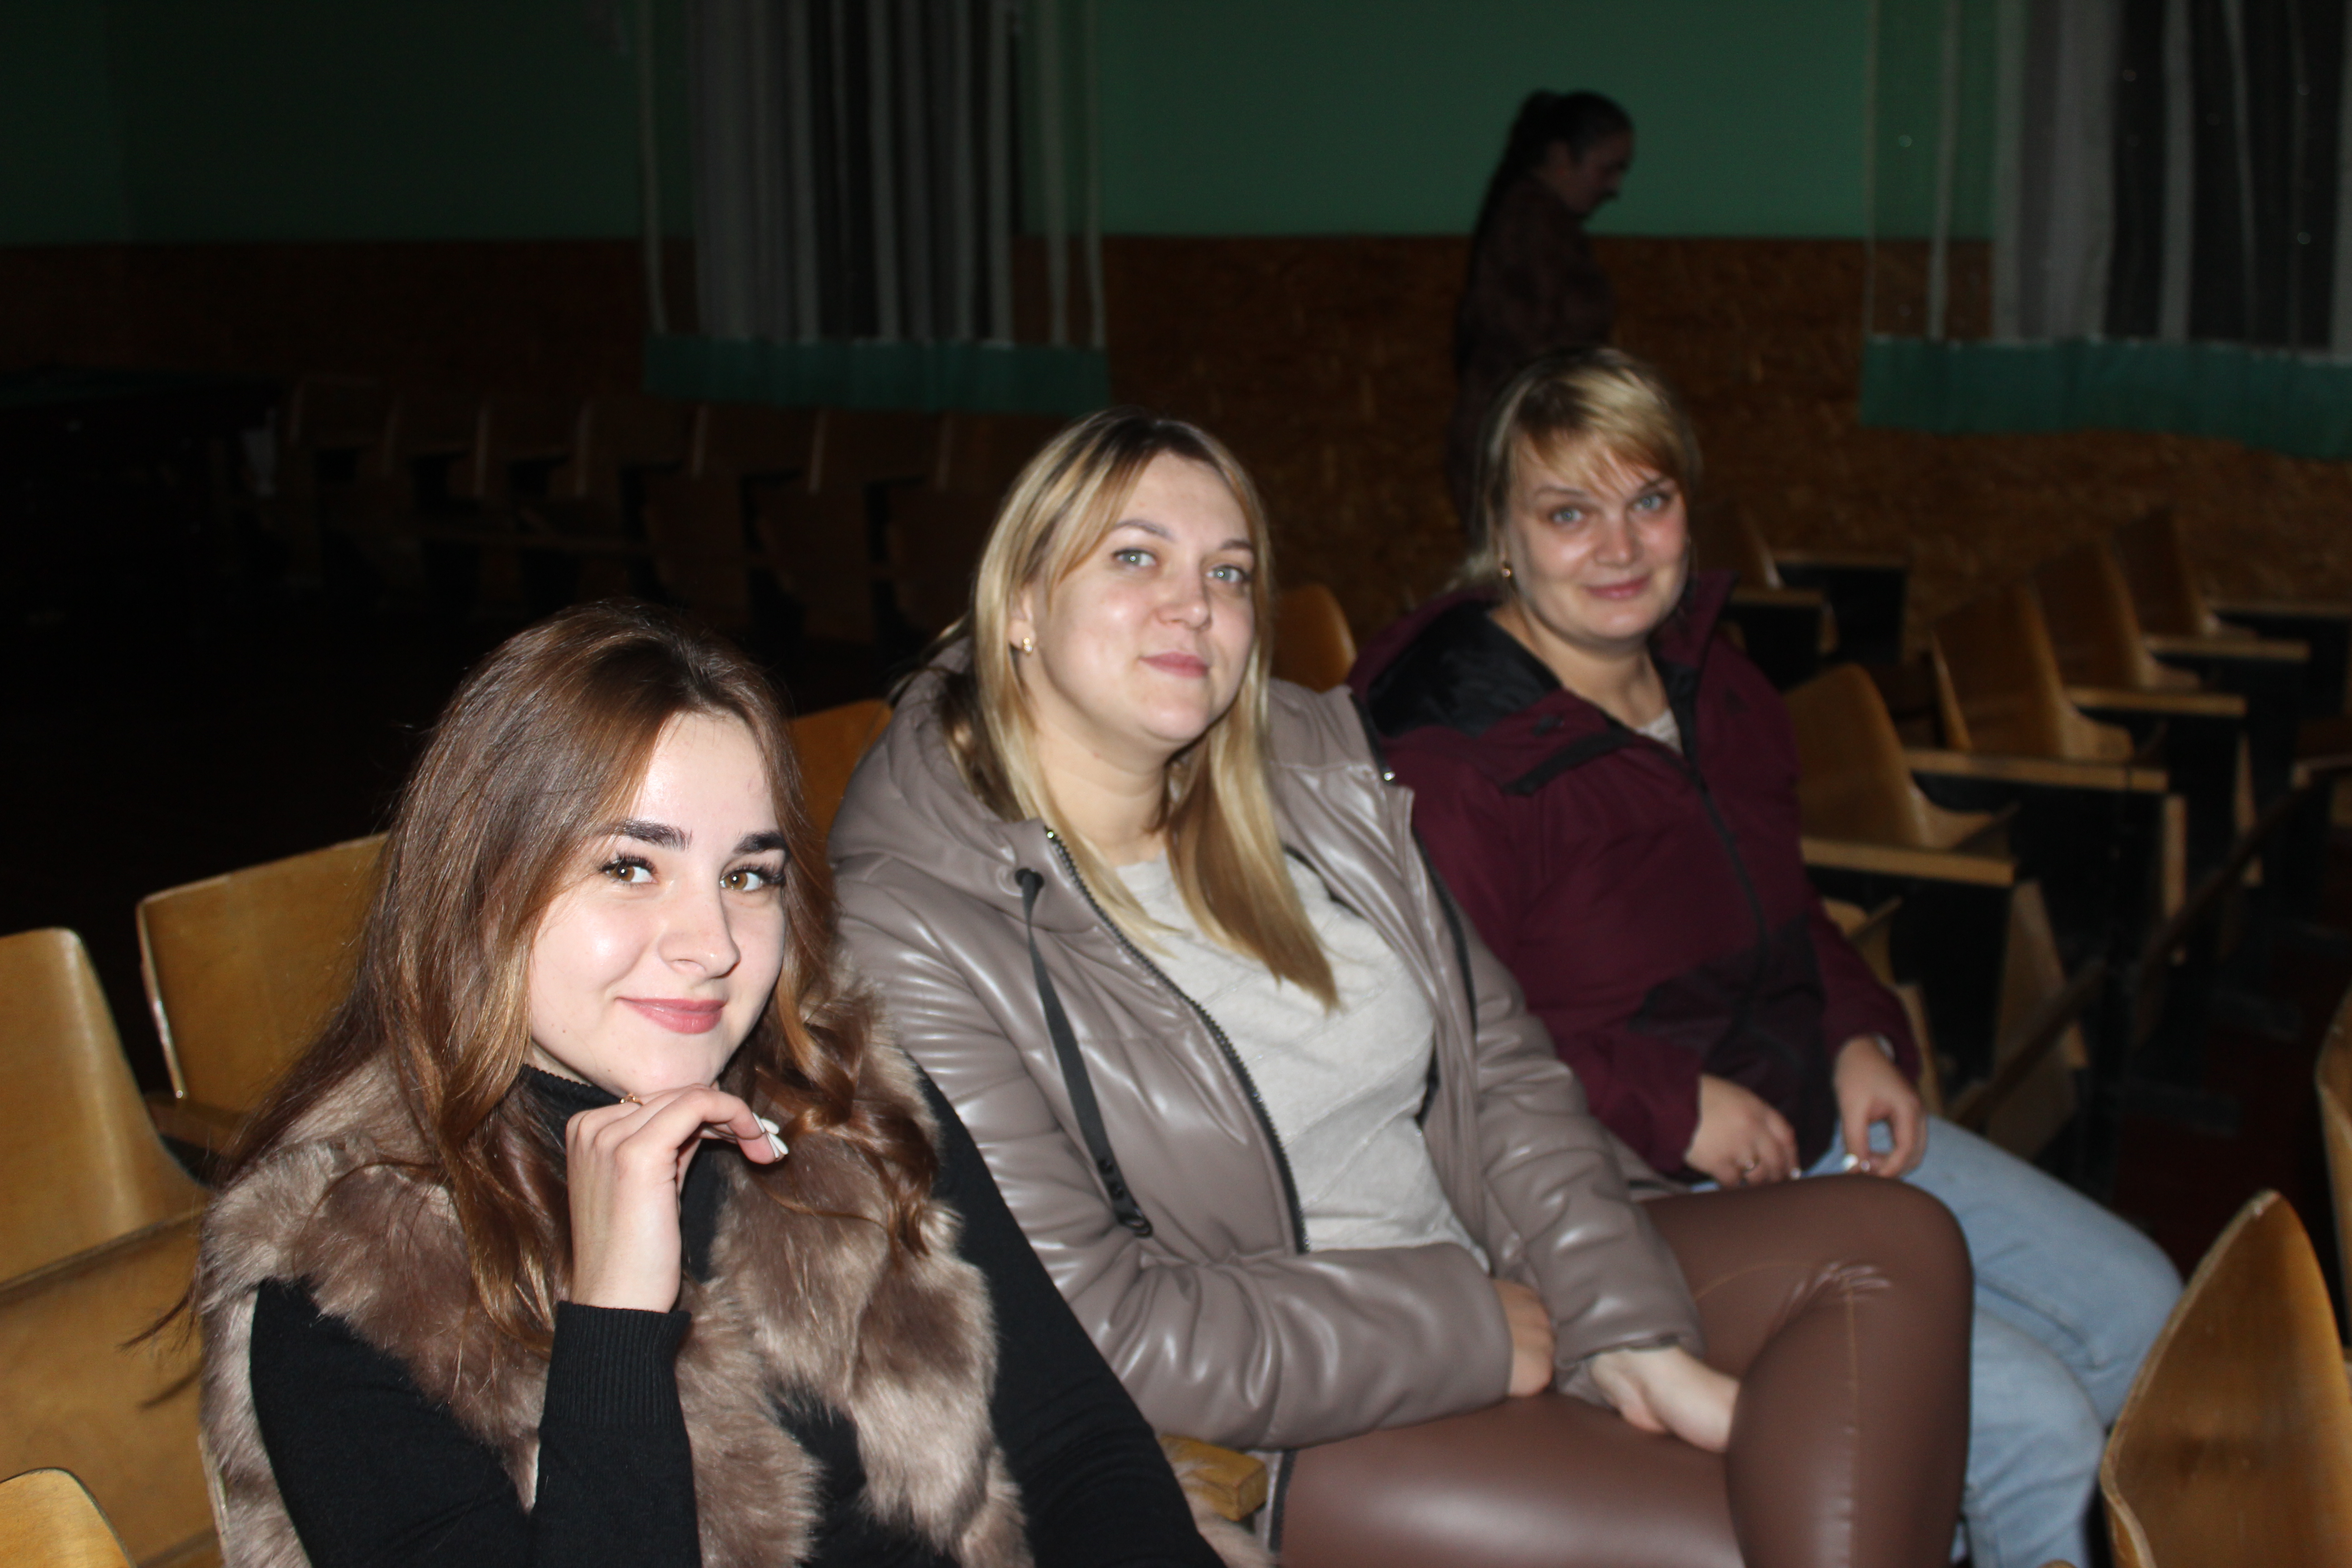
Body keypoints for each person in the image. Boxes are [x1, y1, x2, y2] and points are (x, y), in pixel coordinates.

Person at [828, 407, 1974, 1568]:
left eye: (1229, 572)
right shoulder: (916, 915)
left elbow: (1503, 1067)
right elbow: (1084, 1323)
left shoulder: (1300, 764)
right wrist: (1467, 1328)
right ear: (1020, 603)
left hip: (1488, 1257)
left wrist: (1622, 1327)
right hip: (1282, 1406)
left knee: (1901, 1237)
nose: (1195, 606)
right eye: (1136, 557)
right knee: (1739, 1531)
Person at [193, 601, 1245, 1568]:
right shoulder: (349, 1271)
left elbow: (1073, 1439)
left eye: (746, 875)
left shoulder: (837, 1092)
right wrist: (613, 1324)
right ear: (480, 888)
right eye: (629, 866)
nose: (712, 945)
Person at [1354, 347, 2184, 1568]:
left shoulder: (1720, 684)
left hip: (1808, 1107)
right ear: (1500, 536)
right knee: (2032, 1429)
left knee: (2143, 1310)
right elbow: (1442, 1048)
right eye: (1569, 513)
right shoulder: (1449, 761)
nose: (1620, 547)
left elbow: (1788, 909)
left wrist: (1858, 1034)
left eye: (1649, 500)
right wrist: (1671, 1104)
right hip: (1633, 1183)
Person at [1447, 89, 1635, 527]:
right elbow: (1538, 347)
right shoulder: (1531, 224)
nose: (1614, 186)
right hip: (1521, 438)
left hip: (1525, 434)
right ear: (1560, 156)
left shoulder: (1541, 221)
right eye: (1607, 168)